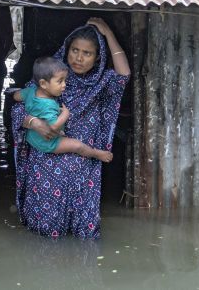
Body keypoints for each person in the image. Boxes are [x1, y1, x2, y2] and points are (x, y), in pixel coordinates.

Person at [10, 17, 130, 238]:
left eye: (87, 53)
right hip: (47, 157)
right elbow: (19, 106)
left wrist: (108, 34)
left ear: (97, 58)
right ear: (67, 50)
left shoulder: (101, 83)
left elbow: (124, 75)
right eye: (75, 50)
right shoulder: (52, 76)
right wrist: (34, 123)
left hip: (83, 162)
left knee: (83, 234)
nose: (79, 57)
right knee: (43, 233)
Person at [13, 56, 114, 162]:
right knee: (77, 146)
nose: (64, 85)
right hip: (46, 143)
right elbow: (53, 126)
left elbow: (16, 96)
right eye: (60, 81)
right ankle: (96, 154)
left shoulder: (31, 90)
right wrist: (66, 113)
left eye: (65, 80)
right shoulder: (48, 105)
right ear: (43, 83)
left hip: (31, 136)